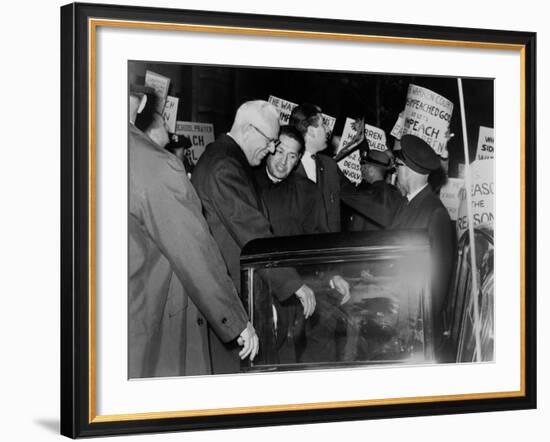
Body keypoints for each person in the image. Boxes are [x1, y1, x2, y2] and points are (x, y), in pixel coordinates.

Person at [128, 86, 258, 378]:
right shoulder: (153, 163)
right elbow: (193, 251)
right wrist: (236, 320)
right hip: (146, 325)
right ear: (142, 103)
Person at [191, 100, 316, 372]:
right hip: (230, 296)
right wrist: (293, 283)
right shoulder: (224, 165)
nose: (272, 149)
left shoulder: (225, 157)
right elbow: (252, 230)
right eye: (271, 141)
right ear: (249, 130)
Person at [390, 134, 455, 353]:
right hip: (398, 317)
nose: (395, 171)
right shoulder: (406, 204)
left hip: (414, 330)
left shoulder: (435, 212)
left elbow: (437, 283)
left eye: (397, 166)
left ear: (406, 169)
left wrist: (417, 329)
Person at [290, 103, 343, 232]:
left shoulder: (329, 165)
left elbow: (356, 197)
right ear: (312, 131)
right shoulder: (287, 168)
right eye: (323, 125)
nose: (328, 130)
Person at [343, 149, 403, 231]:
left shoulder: (367, 193)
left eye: (364, 166)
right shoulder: (395, 194)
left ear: (371, 170)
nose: (361, 169)